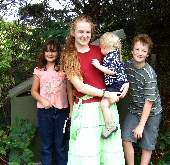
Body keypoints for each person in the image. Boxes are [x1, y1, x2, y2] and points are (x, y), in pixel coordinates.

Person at [61, 14, 129, 165]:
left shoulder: (100, 50)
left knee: (108, 154)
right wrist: (106, 93)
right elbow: (79, 86)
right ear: (73, 32)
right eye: (81, 31)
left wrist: (126, 82)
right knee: (87, 154)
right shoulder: (69, 56)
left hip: (107, 108)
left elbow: (117, 67)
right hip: (86, 109)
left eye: (88, 32)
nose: (85, 35)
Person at [31, 39, 74, 165]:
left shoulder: (64, 70)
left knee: (60, 145)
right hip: (45, 112)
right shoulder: (39, 70)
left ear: (58, 53)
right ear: (43, 53)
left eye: (53, 51)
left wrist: (71, 110)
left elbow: (70, 91)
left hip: (62, 112)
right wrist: (43, 101)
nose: (50, 54)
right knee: (46, 145)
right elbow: (34, 91)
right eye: (47, 51)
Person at [121, 34, 162, 165]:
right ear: (132, 50)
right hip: (135, 109)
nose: (140, 53)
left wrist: (141, 126)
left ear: (148, 54)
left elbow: (149, 102)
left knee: (147, 144)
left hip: (152, 113)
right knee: (126, 138)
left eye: (143, 51)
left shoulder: (149, 74)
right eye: (137, 49)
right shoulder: (127, 66)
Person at [92, 32, 128, 139]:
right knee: (107, 103)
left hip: (115, 84)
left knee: (104, 104)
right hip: (117, 84)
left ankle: (110, 125)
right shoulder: (116, 55)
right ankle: (110, 124)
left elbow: (112, 71)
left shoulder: (110, 56)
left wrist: (98, 66)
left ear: (103, 46)